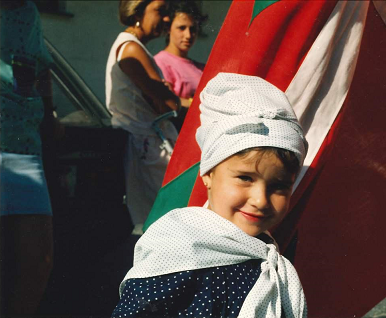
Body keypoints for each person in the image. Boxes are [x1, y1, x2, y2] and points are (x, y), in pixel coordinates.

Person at [111, 73, 309, 318]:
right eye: (245, 178)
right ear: (208, 174)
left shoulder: (271, 253)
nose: (260, 200)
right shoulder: (179, 251)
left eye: (279, 186)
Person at [0, 0, 59, 315]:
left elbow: (41, 69)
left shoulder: (28, 12)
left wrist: (49, 120)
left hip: (25, 147)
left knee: (39, 261)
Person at [105, 0, 182, 235]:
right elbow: (169, 104)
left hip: (147, 145)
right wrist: (168, 93)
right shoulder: (131, 49)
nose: (167, 19)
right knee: (163, 223)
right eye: (160, 11)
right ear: (138, 12)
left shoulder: (132, 46)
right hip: (148, 150)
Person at [154, 1, 206, 130]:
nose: (188, 35)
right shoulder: (160, 62)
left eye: (193, 29)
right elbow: (167, 102)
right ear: (168, 28)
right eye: (181, 28)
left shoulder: (200, 67)